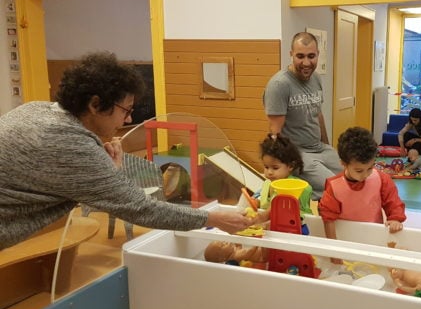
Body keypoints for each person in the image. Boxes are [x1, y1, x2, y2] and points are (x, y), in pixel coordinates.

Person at [0, 52, 251, 250]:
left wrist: (110, 172)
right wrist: (214, 219)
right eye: (126, 110)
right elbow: (140, 208)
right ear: (95, 104)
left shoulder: (34, 109)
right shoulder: (71, 144)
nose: (128, 119)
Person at [263, 31, 342, 199]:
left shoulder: (316, 79)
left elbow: (318, 115)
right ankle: (301, 194)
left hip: (319, 148)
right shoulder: (280, 85)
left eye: (311, 56)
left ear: (318, 55)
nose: (306, 63)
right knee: (334, 186)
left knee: (352, 175)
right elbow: (274, 132)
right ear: (291, 54)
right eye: (300, 56)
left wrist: (327, 147)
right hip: (298, 154)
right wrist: (278, 168)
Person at [319, 127, 406, 261]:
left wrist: (395, 218)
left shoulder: (381, 179)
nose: (365, 175)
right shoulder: (334, 186)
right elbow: (328, 219)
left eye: (370, 168)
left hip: (373, 238)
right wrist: (334, 251)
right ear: (343, 164)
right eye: (359, 171)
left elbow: (393, 201)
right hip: (346, 239)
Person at [253, 133, 313, 234]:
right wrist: (255, 201)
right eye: (266, 167)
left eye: (275, 168)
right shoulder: (268, 183)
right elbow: (260, 196)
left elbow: (280, 207)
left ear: (290, 166)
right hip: (272, 228)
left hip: (296, 229)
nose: (269, 172)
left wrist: (263, 218)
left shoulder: (293, 186)